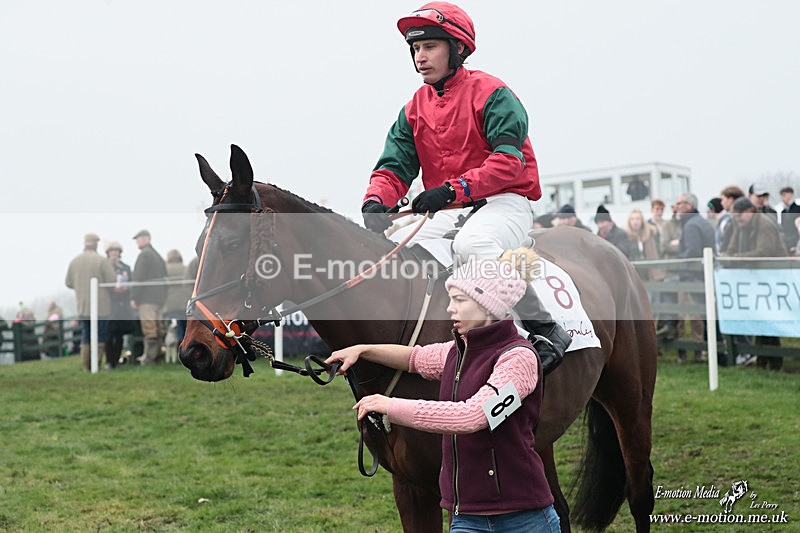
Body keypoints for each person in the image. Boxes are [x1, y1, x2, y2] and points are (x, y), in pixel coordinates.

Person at [359, 2, 570, 373]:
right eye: (415, 50)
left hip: (504, 200)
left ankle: (544, 327)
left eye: (429, 47)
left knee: (472, 245)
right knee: (393, 247)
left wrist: (450, 191)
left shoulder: (493, 92)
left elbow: (508, 162)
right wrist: (376, 201)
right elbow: (393, 167)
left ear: (457, 48)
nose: (419, 57)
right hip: (449, 207)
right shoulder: (413, 109)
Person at [325, 248, 560, 532]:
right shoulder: (456, 351)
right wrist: (363, 350)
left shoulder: (518, 359)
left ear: (487, 305)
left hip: (523, 519)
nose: (450, 309)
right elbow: (413, 358)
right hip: (465, 518)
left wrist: (390, 406)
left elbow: (472, 416)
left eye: (459, 300)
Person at [722, 197, 788, 370]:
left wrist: (735, 259)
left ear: (750, 211)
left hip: (772, 277)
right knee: (759, 319)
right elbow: (732, 247)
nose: (737, 219)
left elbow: (764, 251)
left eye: (740, 216)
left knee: (771, 319)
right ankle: (763, 358)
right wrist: (727, 257)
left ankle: (774, 361)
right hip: (753, 278)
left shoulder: (765, 225)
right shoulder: (740, 224)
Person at [65, 232, 116, 370]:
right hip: (101, 306)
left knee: (86, 335)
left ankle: (86, 366)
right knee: (100, 335)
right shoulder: (101, 260)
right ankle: (96, 365)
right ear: (95, 244)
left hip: (83, 306)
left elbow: (68, 282)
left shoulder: (74, 261)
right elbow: (112, 281)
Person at [674, 193, 714, 364]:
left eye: (679, 203)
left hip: (690, 276)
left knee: (686, 314)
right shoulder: (702, 222)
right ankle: (700, 351)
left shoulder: (691, 225)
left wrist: (679, 258)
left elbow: (692, 252)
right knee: (697, 314)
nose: (676, 207)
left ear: (689, 205)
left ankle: (687, 353)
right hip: (701, 276)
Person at [130, 229, 167, 365]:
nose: (136, 242)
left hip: (147, 299)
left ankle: (150, 359)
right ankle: (157, 356)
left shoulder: (144, 255)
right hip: (159, 298)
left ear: (146, 239)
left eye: (138, 239)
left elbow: (138, 278)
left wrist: (134, 297)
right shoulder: (157, 255)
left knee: (150, 329)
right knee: (158, 328)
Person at [105, 241, 134, 369]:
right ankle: (109, 361)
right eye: (112, 251)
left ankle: (116, 361)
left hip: (123, 305)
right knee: (108, 334)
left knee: (119, 334)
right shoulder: (105, 266)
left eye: (116, 251)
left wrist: (126, 289)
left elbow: (132, 283)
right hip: (109, 304)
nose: (114, 253)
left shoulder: (125, 267)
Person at [163, 249, 192, 350]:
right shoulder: (186, 268)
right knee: (184, 327)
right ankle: (184, 346)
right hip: (184, 303)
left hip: (170, 304)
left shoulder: (166, 269)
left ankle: (172, 348)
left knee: (172, 328)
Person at [717, 186, 745, 255]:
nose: (721, 203)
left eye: (723, 199)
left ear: (731, 200)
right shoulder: (725, 218)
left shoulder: (738, 219)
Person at [779, 186, 800, 254]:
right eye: (782, 196)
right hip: (787, 243)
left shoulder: (798, 209)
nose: (783, 198)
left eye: (784, 195)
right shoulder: (783, 212)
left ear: (791, 195)